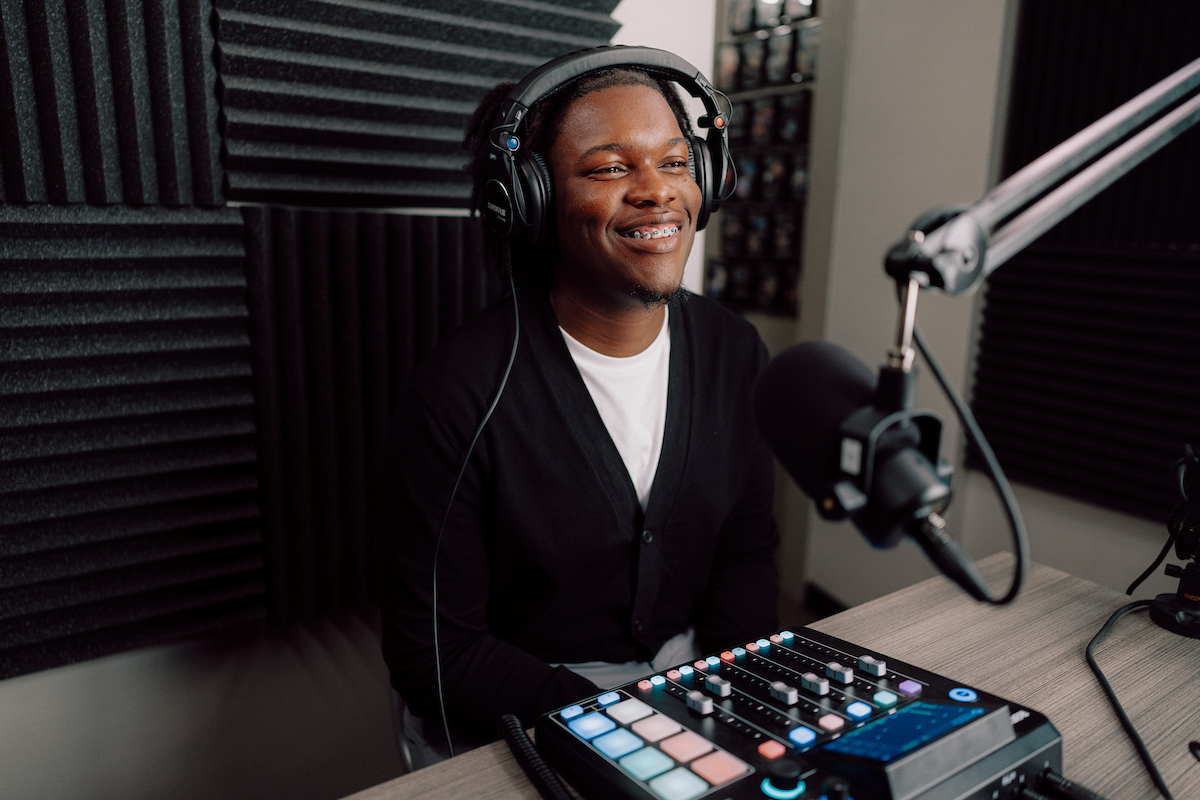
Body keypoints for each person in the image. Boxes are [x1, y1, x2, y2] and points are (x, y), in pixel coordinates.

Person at [377, 54, 779, 767]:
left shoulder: (734, 353)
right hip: (513, 714)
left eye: (676, 161)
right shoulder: (457, 394)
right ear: (532, 203)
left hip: (687, 688)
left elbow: (744, 559)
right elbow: (437, 654)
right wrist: (627, 728)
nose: (657, 191)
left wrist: (728, 698)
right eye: (609, 168)